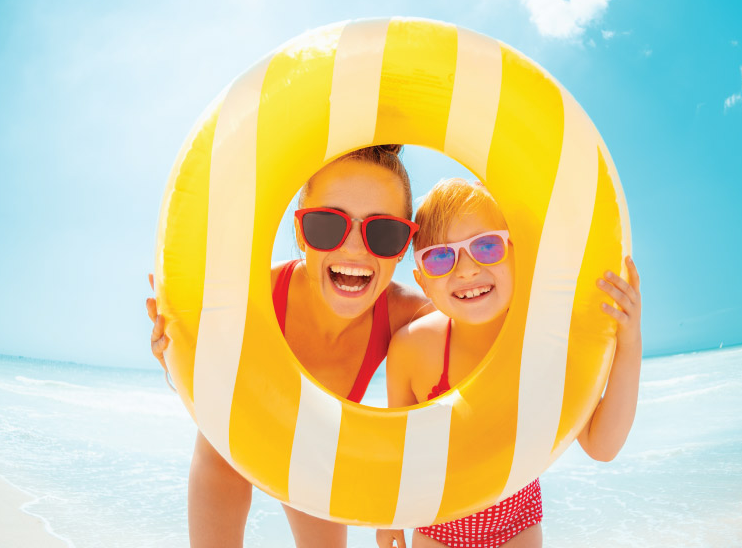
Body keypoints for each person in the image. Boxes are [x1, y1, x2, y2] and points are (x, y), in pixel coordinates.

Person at [146, 145, 433, 548]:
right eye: (326, 225)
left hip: (311, 456)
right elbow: (197, 370)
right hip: (228, 448)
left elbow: (479, 342)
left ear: (404, 244)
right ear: (300, 232)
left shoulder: (409, 316)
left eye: (382, 232)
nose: (353, 248)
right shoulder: (250, 298)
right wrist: (173, 354)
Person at [376, 179, 642, 548]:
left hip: (515, 524)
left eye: (486, 246)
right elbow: (400, 449)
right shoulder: (411, 349)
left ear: (517, 254)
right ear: (422, 280)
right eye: (441, 257)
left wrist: (629, 344)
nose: (466, 270)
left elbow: (602, 445)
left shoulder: (539, 344)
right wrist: (391, 514)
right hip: (436, 526)